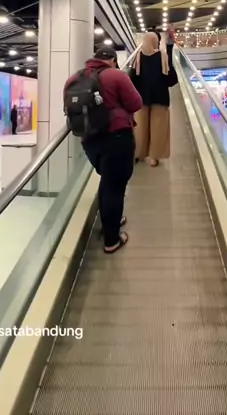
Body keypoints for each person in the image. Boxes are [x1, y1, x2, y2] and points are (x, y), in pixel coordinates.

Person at [64, 45, 142, 254]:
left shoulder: (74, 79)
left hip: (89, 141)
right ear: (114, 61)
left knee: (108, 182)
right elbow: (136, 103)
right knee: (114, 187)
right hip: (117, 138)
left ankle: (112, 220)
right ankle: (111, 240)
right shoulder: (116, 76)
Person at [130, 31, 178, 166]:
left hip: (140, 99)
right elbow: (171, 80)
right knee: (158, 128)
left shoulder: (137, 57)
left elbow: (132, 79)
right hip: (160, 97)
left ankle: (138, 154)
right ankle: (154, 157)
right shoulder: (162, 56)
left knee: (139, 128)